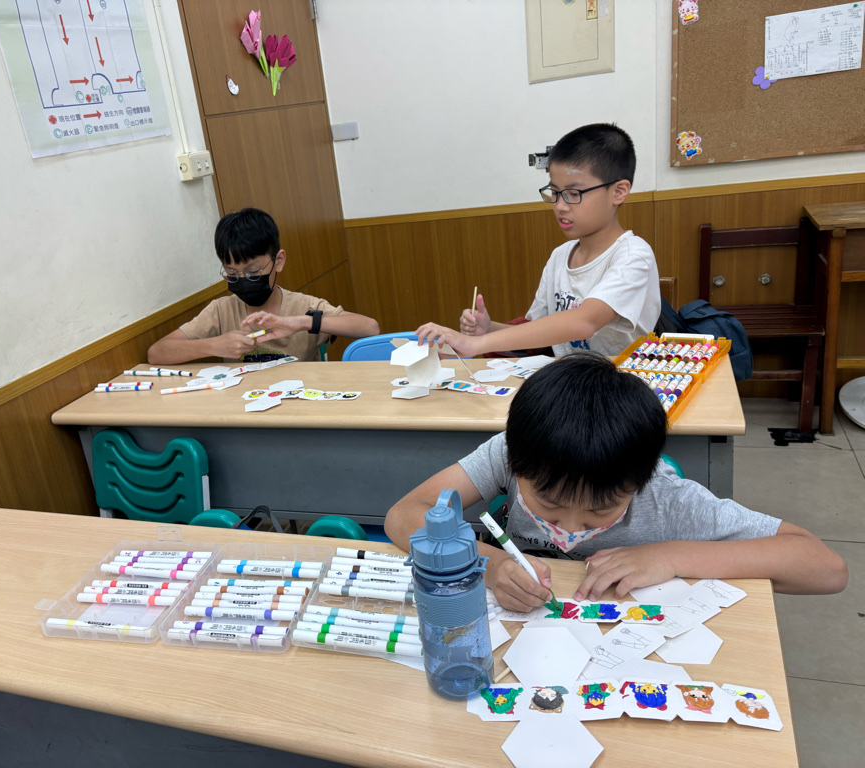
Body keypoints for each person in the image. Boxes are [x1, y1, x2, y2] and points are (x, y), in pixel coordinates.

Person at [384, 354, 848, 611]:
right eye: (548, 502)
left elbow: (826, 568)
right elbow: (405, 515)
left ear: (639, 482)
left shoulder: (665, 498)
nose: (569, 527)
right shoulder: (509, 453)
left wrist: (670, 555)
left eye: (600, 511)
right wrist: (488, 565)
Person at [415, 123, 660, 359]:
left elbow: (584, 322)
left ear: (618, 192)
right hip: (566, 375)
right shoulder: (560, 256)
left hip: (618, 379)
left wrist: (476, 344)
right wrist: (489, 329)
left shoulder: (633, 256)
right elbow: (543, 333)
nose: (560, 206)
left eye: (573, 194)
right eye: (555, 192)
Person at [148, 208, 379, 364]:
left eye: (253, 272)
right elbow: (156, 353)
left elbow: (370, 328)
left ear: (278, 261)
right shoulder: (220, 311)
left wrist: (301, 322)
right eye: (231, 273)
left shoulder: (304, 306)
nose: (242, 279)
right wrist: (213, 346)